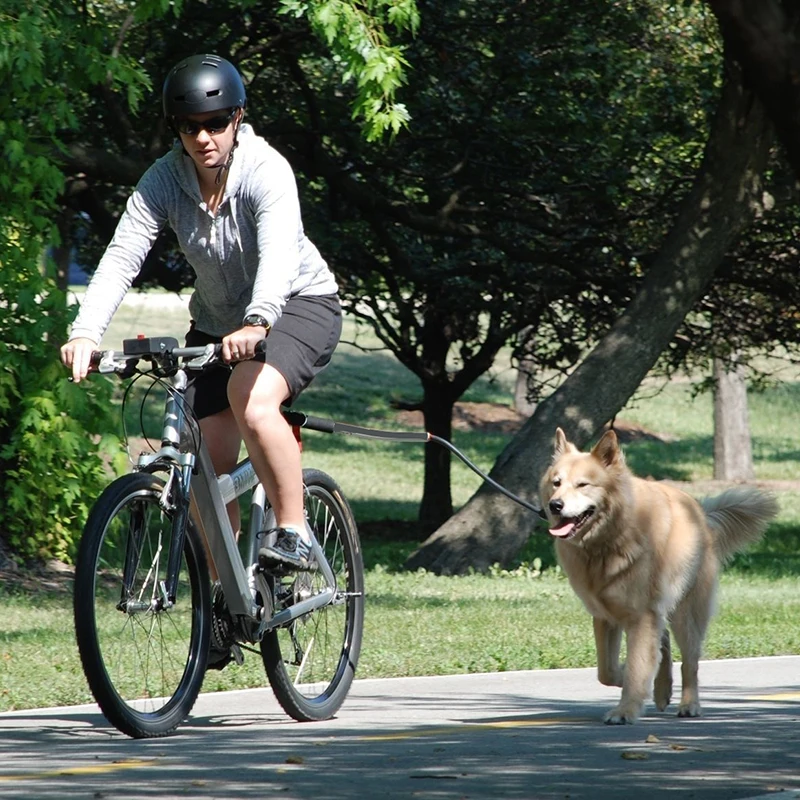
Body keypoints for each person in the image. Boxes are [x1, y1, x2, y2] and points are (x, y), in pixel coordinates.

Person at [61, 54, 341, 586]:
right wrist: (85, 331)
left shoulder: (266, 170)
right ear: (177, 130)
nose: (204, 137)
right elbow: (123, 255)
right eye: (190, 127)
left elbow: (279, 255)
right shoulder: (164, 178)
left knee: (252, 400)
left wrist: (259, 321)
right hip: (217, 322)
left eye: (216, 123)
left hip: (299, 306)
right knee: (199, 464)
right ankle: (222, 601)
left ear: (237, 118)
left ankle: (293, 530)